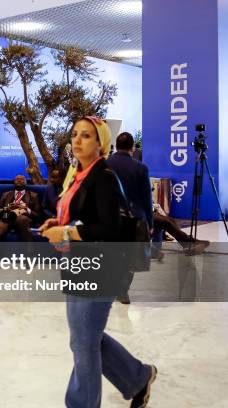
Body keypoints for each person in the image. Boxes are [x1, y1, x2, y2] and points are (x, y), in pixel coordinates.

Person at [40, 116, 157, 408]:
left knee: (84, 343)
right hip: (76, 265)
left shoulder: (103, 176)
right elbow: (84, 216)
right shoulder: (77, 174)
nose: (77, 140)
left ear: (101, 143)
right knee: (83, 339)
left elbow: (109, 228)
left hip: (100, 268)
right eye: (75, 134)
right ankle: (138, 377)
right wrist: (58, 222)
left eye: (87, 136)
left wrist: (65, 231)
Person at [107, 132, 154, 303]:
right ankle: (123, 292)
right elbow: (146, 198)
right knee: (130, 255)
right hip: (135, 218)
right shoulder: (140, 168)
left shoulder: (104, 165)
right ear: (132, 148)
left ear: (116, 145)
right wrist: (149, 222)